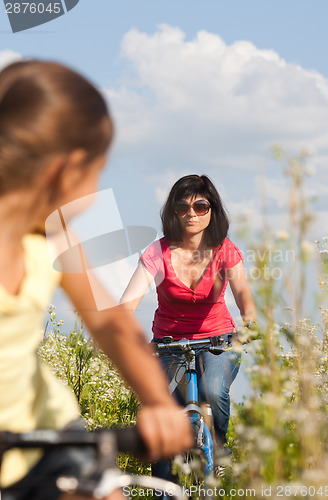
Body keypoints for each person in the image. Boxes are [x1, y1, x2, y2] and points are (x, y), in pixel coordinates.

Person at [0, 60, 193, 500]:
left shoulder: (54, 233)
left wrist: (159, 402)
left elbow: (109, 322)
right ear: (66, 170)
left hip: (48, 437)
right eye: (97, 172)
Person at [121, 174, 256, 476]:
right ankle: (163, 488)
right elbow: (128, 303)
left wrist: (248, 323)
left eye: (200, 205)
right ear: (173, 211)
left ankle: (219, 446)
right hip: (168, 343)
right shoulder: (157, 253)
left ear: (212, 210)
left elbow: (244, 295)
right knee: (162, 416)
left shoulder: (225, 250)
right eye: (182, 206)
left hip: (217, 341)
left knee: (213, 388)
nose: (191, 213)